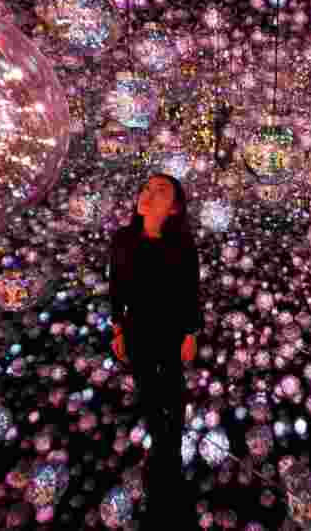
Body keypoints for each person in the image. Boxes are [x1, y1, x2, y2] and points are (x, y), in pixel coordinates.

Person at [108, 173, 202, 527]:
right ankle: (162, 449)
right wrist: (117, 327)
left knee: (174, 386)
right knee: (147, 385)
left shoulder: (182, 246)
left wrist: (191, 334)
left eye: (159, 191)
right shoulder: (122, 240)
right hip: (138, 329)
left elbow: (191, 292)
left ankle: (171, 449)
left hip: (172, 328)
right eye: (146, 188)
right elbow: (115, 286)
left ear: (175, 207)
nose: (148, 193)